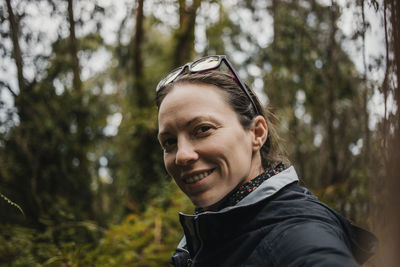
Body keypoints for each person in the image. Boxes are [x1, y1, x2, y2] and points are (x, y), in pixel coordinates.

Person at [155, 55, 377, 267]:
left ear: (257, 133)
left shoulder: (299, 233)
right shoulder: (211, 231)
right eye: (170, 142)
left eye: (203, 129)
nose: (182, 155)